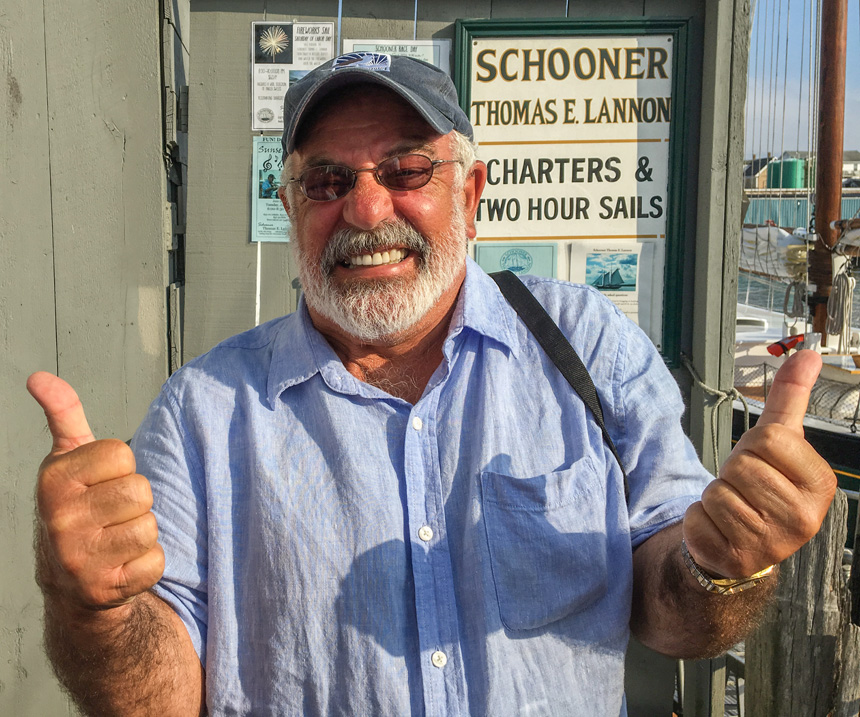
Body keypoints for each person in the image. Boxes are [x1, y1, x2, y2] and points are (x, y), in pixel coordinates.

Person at [28, 54, 836, 716]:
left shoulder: (585, 345)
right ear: (291, 206)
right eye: (326, 180)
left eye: (406, 168)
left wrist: (724, 563)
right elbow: (158, 698)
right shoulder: (203, 411)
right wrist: (95, 610)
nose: (365, 208)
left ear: (470, 195)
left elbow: (674, 614)